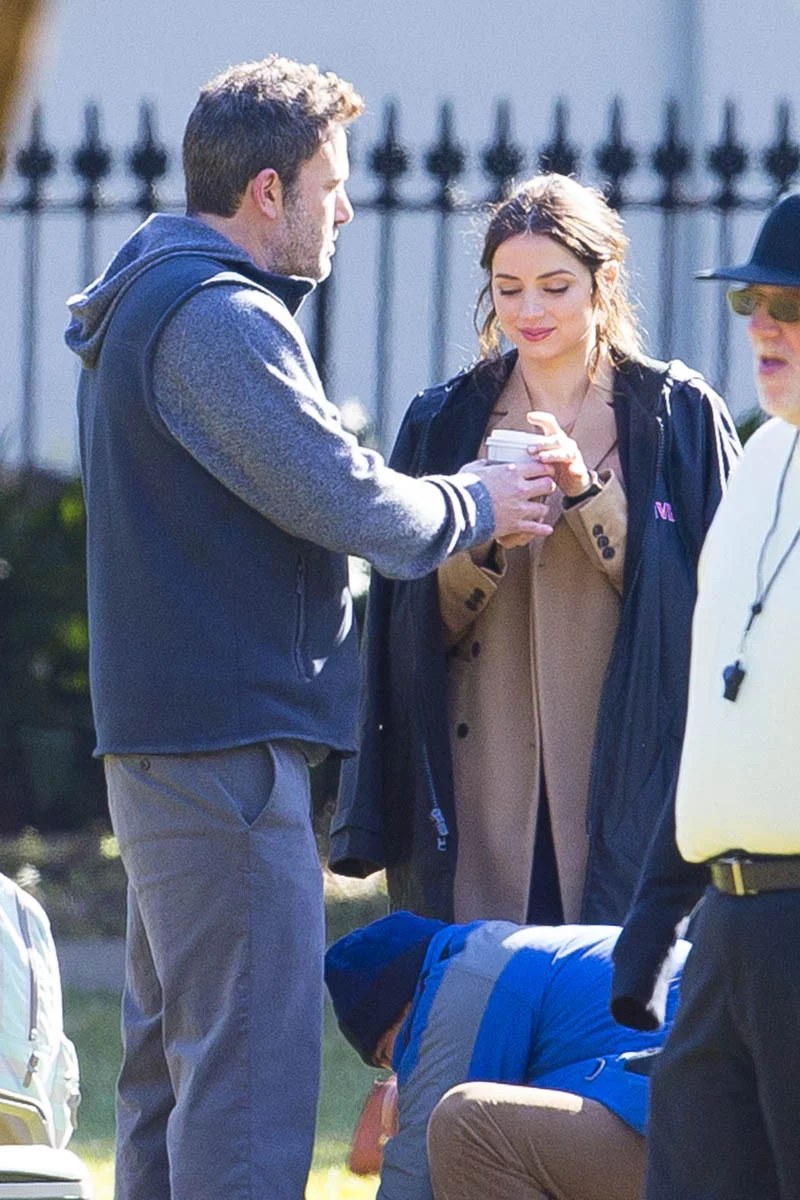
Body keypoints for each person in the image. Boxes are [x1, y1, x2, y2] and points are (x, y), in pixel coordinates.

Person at [64, 56, 551, 1200]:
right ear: (268, 190)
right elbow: (345, 501)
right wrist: (478, 499)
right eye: (331, 186)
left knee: (176, 1079)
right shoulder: (216, 316)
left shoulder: (160, 295)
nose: (346, 210)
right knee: (246, 1084)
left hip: (180, 745)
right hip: (227, 753)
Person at [331, 173, 741, 926]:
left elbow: (712, 608)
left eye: (555, 287)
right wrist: (481, 538)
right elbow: (407, 623)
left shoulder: (677, 414)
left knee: (618, 989)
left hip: (631, 777)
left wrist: (588, 496)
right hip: (482, 781)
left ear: (603, 282)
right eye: (508, 289)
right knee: (489, 984)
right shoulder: (443, 419)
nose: (529, 312)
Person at [611, 192, 800, 1200]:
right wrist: (652, 927)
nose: (762, 324)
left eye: (788, 304)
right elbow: (719, 719)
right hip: (727, 929)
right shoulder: (761, 456)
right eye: (749, 302)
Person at [325, 912, 688, 1200]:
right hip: (689, 1123)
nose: (400, 1071)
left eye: (388, 1054)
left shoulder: (463, 983)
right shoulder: (509, 953)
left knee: (465, 1125)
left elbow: (415, 1179)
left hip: (694, 1138)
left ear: (404, 1009)